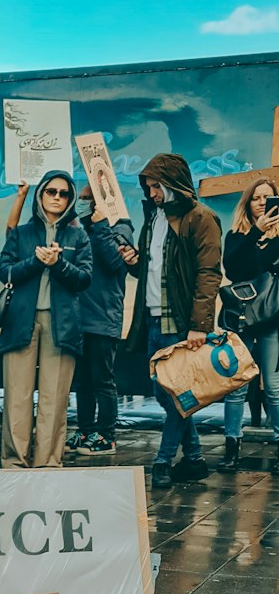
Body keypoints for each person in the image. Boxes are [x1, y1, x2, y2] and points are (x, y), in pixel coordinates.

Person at [125, 154, 222, 489]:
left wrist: (199, 326)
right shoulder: (153, 217)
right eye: (149, 187)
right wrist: (132, 261)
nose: (151, 193)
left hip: (180, 323)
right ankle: (194, 459)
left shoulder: (200, 218)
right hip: (152, 320)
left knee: (178, 395)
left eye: (157, 186)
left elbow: (208, 274)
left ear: (173, 183)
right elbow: (152, 270)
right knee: (168, 395)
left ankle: (162, 462)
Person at [0, 171, 92, 468]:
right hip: (20, 321)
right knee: (17, 397)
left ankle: (48, 464)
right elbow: (5, 272)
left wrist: (59, 263)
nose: (57, 198)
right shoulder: (22, 233)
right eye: (51, 191)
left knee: (55, 398)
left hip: (61, 326)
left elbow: (85, 279)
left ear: (70, 199)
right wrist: (36, 262)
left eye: (64, 194)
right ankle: (14, 463)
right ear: (41, 195)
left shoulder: (78, 235)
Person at [67, 186, 136, 457]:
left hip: (104, 317)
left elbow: (114, 263)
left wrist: (101, 226)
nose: (82, 203)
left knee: (102, 380)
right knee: (82, 381)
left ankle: (107, 435)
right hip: (79, 318)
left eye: (87, 199)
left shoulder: (121, 227)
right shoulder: (79, 227)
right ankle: (85, 429)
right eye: (81, 199)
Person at [220, 178, 279, 471]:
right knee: (236, 386)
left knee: (274, 387)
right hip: (241, 319)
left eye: (268, 198)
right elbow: (233, 267)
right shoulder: (236, 236)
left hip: (271, 320)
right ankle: (232, 448)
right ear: (247, 202)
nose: (261, 203)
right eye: (256, 198)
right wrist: (256, 232)